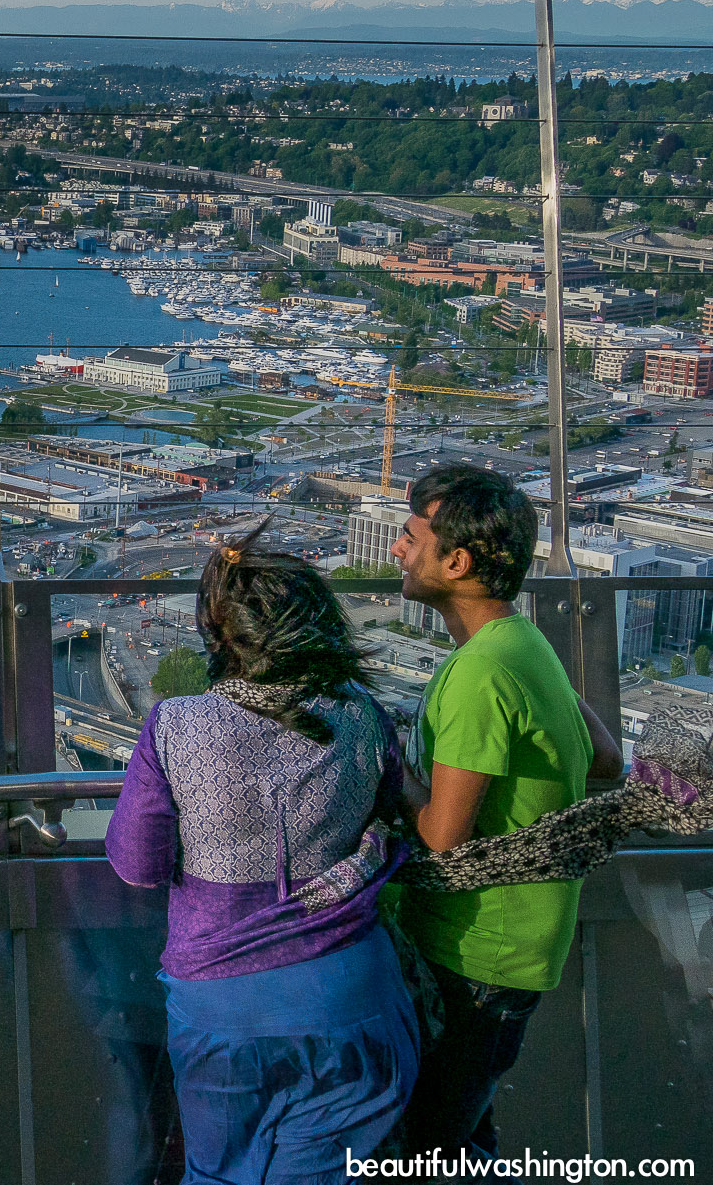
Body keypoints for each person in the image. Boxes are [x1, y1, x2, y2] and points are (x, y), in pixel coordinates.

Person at [107, 532, 419, 1183]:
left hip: (222, 1009)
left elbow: (138, 864)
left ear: (218, 633)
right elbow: (398, 812)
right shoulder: (363, 715)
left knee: (218, 1173)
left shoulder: (176, 726)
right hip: (351, 995)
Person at [391, 465, 622, 1160]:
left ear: (456, 563)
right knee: (463, 1144)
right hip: (516, 948)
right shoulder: (520, 645)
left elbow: (441, 837)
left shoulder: (482, 672)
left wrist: (385, 765)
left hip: (475, 955)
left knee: (423, 1153)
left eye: (410, 538)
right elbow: (605, 758)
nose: (397, 549)